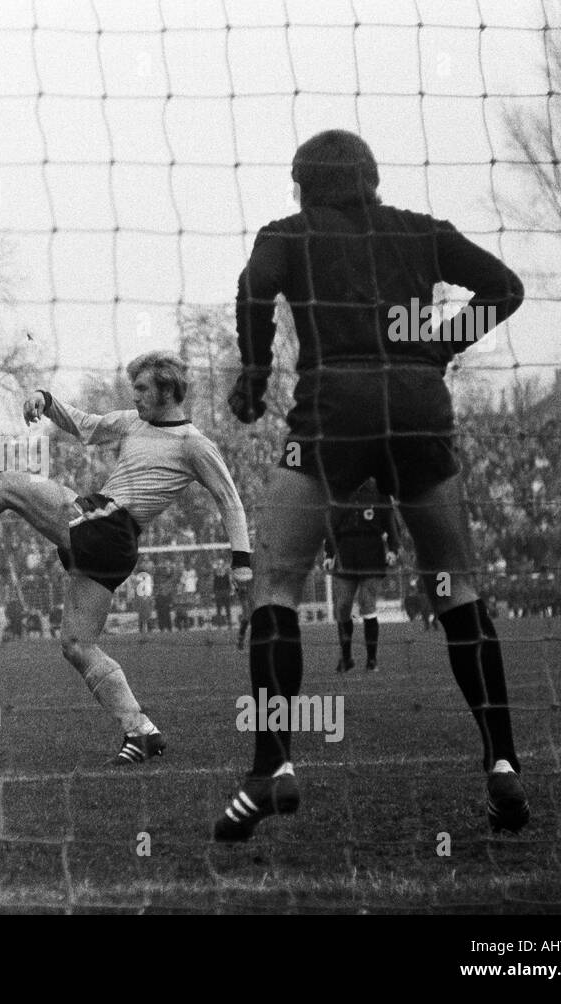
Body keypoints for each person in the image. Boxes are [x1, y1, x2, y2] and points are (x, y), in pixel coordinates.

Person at [216, 128, 528, 841]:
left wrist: (256, 375)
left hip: (336, 404)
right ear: (373, 177)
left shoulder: (288, 234)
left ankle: (272, 765)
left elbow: (252, 289)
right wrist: (437, 346)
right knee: (455, 583)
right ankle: (503, 760)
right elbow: (505, 287)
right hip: (418, 405)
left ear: (302, 184)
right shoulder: (421, 232)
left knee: (278, 585)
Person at [0, 351, 252, 764]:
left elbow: (229, 500)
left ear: (167, 390)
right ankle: (140, 730)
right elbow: (88, 426)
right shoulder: (134, 422)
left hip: (108, 524)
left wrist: (242, 563)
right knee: (76, 644)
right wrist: (47, 399)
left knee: (7, 485)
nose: (137, 396)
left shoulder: (194, 444)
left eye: (143, 389)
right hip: (114, 546)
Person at [324, 477, 400, 673]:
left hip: (371, 550)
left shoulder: (380, 491)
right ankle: (347, 657)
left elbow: (391, 523)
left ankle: (372, 660)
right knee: (342, 606)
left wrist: (393, 549)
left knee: (367, 603)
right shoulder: (340, 490)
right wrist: (329, 553)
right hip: (345, 552)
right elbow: (331, 526)